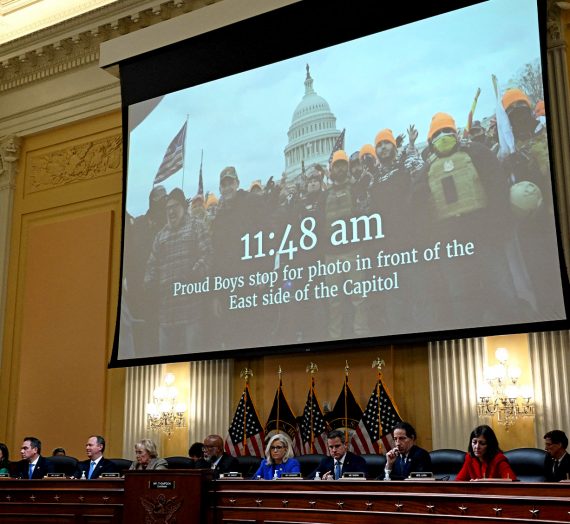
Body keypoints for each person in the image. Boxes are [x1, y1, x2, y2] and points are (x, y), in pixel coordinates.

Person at [144, 187, 212, 355]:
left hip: (191, 312)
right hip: (166, 314)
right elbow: (151, 266)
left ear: (183, 207)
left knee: (193, 365)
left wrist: (194, 274)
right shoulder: (160, 236)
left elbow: (208, 256)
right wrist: (148, 286)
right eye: (168, 208)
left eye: (175, 206)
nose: (171, 211)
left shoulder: (197, 227)